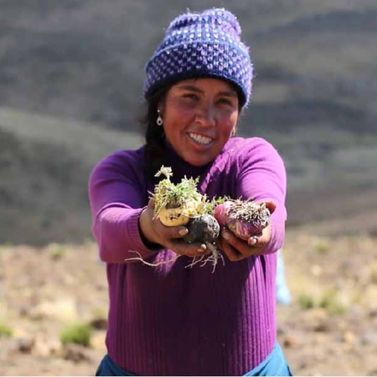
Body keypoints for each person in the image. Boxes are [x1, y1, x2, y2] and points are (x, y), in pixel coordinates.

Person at [89, 8, 291, 376]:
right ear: (159, 107)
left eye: (224, 102)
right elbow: (110, 228)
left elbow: (270, 211)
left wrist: (252, 225)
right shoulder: (122, 171)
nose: (207, 118)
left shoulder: (253, 157)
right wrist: (150, 227)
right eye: (190, 97)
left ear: (238, 113)